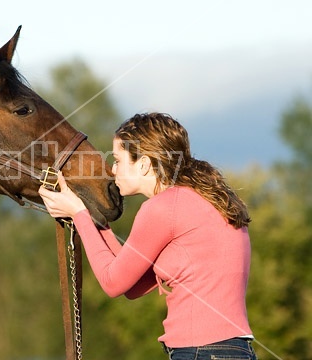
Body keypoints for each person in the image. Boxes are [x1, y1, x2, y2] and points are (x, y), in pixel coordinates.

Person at [39, 112, 257, 360]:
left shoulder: (164, 207)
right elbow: (132, 285)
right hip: (235, 350)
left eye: (119, 160)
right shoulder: (206, 200)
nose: (113, 169)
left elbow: (112, 283)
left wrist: (78, 214)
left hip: (200, 352)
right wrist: (94, 219)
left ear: (143, 164)